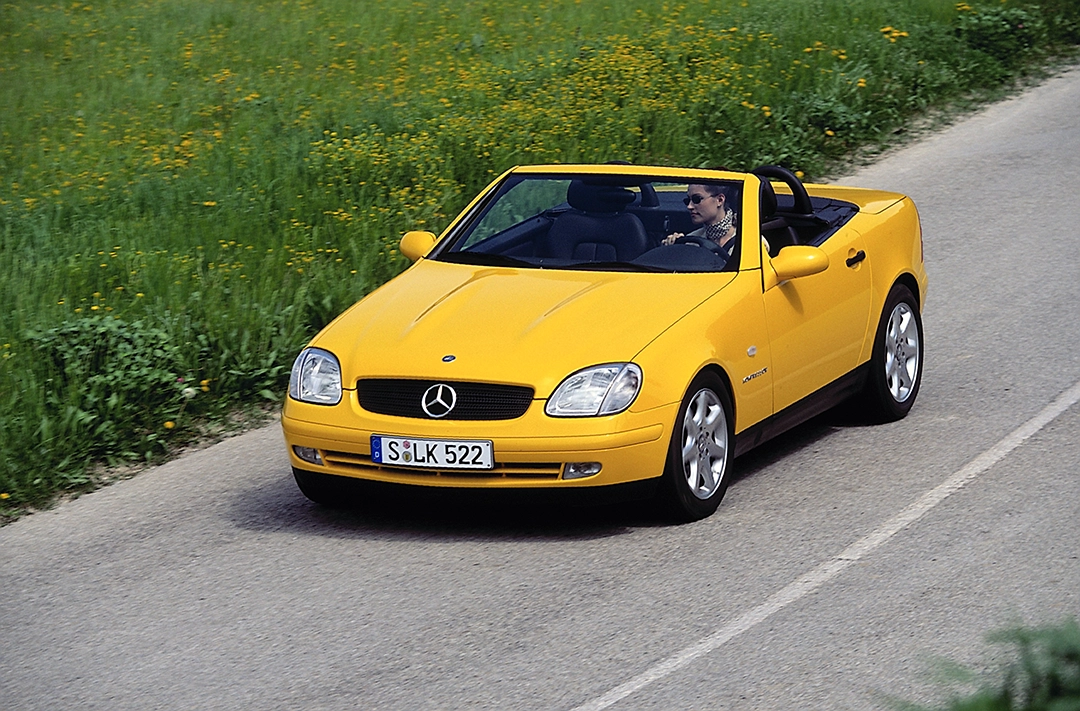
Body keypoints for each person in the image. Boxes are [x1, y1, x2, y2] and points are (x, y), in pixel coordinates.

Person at [662, 183, 739, 259]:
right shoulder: (690, 242)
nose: (689, 206)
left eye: (697, 199)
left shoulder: (747, 239)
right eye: (687, 200)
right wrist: (672, 250)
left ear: (720, 200)